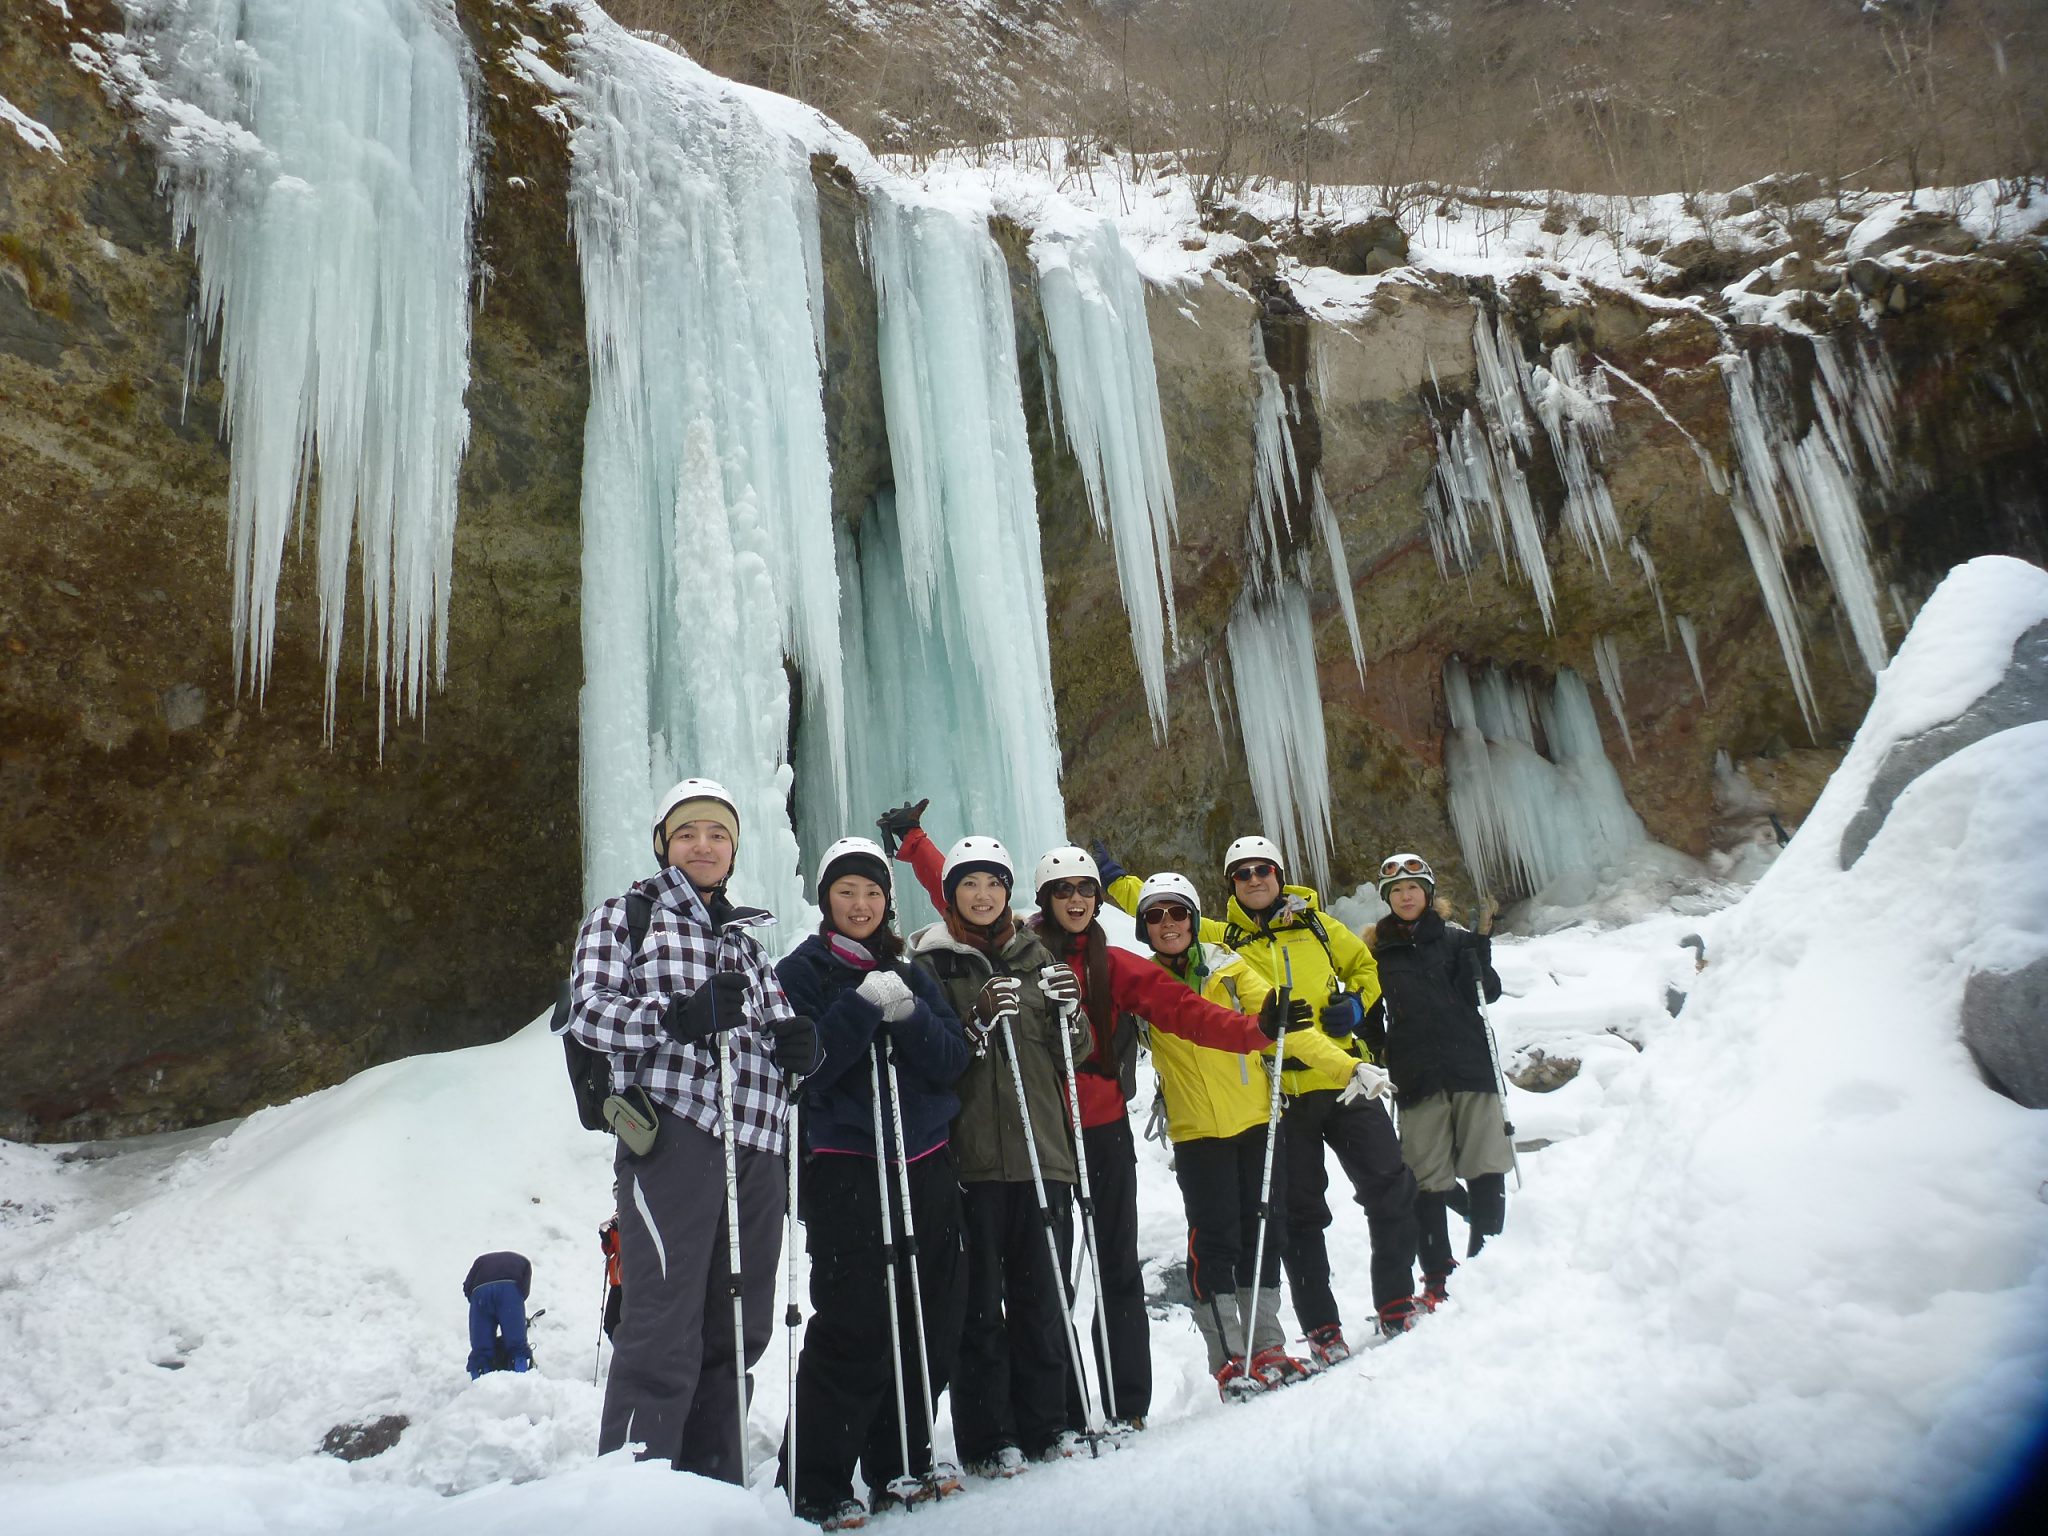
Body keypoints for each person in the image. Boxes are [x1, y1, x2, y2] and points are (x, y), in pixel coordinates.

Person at [886, 809, 1286, 1424]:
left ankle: (1125, 1404)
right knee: (1043, 1276)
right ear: (1043, 899)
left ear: (1098, 900)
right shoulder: (1017, 945)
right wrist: (915, 846)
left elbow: (1182, 1008)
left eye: (1085, 890)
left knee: (1116, 1269)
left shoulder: (1115, 963)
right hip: (1037, 1131)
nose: (1076, 900)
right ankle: (1054, 1405)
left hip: (1099, 1129)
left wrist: (1255, 1031)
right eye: (1063, 891)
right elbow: (963, 887)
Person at [567, 777, 821, 1480]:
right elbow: (587, 1013)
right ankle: (638, 1502)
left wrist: (801, 1051)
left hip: (759, 1147)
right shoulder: (625, 918)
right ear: (664, 844)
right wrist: (673, 1018)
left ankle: (713, 1494)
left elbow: (771, 1036)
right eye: (687, 834)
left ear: (734, 849)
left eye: (717, 835)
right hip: (676, 1135)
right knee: (662, 1323)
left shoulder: (748, 943)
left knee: (741, 1330)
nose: (703, 845)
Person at [1099, 833, 1423, 1355]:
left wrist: (1358, 1008)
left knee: (1389, 1186)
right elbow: (1161, 911)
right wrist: (1113, 882)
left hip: (1336, 1075)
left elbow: (1364, 966)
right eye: (1243, 873)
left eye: (1262, 870)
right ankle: (1321, 1327)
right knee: (1296, 1217)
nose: (1254, 880)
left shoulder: (1319, 926)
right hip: (1276, 1095)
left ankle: (1395, 1301)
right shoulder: (1222, 937)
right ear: (1231, 884)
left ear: (1278, 874)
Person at [775, 837, 970, 1528]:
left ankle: (898, 1460)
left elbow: (952, 1059)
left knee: (928, 1319)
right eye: (846, 892)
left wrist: (908, 1013)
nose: (860, 905)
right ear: (828, 899)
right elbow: (806, 1067)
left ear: (889, 901)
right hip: (847, 1164)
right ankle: (815, 1477)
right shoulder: (801, 971)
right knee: (855, 1322)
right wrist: (860, 1007)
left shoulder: (911, 972)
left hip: (924, 1160)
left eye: (873, 893)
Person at [898, 831, 1084, 1476]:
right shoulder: (929, 963)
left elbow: (1071, 1058)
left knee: (1041, 1297)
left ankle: (1046, 1423)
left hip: (1042, 1156)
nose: (983, 895)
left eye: (994, 883)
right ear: (951, 895)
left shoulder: (1037, 959)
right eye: (969, 885)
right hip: (970, 1158)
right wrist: (974, 1022)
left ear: (1008, 893)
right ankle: (989, 1436)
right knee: (979, 1304)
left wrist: (1071, 1015)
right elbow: (926, 1060)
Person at [1124, 872, 1340, 1396]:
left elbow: (1283, 1027)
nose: (1167, 924)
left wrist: (1346, 1068)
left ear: (1194, 920)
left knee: (1263, 1231)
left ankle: (1267, 1344)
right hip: (1198, 1132)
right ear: (1143, 928)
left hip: (1257, 1120)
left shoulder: (1227, 966)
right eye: (1154, 916)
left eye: (1177, 913)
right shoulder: (1141, 984)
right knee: (1215, 1241)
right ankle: (1229, 1358)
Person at [1361, 852, 1511, 1306]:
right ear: (1388, 898)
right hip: (1416, 1074)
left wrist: (1479, 950)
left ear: (1428, 893)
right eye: (1397, 891)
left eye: (1414, 888)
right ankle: (1438, 1274)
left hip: (1469, 1067)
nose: (1406, 896)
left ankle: (1486, 1263)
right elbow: (1370, 1016)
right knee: (1427, 1178)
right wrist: (1371, 1052)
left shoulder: (1457, 940)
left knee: (1485, 1165)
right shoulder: (1376, 954)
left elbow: (1486, 991)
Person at [464, 1250, 533, 1378]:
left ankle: (479, 1381)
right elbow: (524, 1290)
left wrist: (478, 1305)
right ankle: (521, 1375)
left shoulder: (480, 1260)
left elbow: (467, 1287)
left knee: (481, 1347)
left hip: (480, 1292)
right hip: (509, 1290)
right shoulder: (524, 1262)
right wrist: (513, 1310)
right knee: (517, 1344)